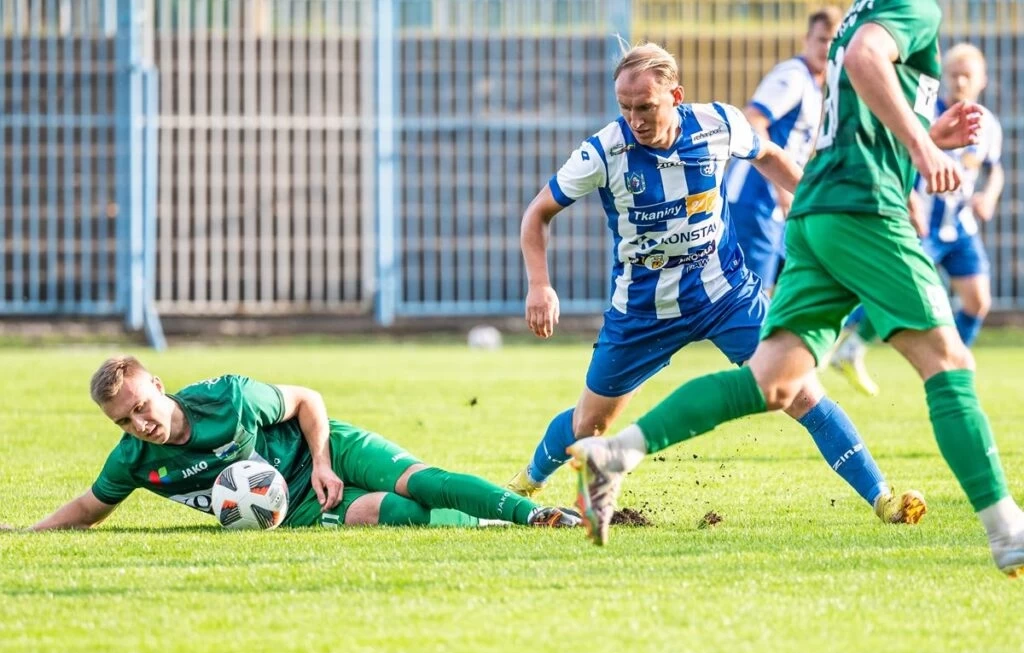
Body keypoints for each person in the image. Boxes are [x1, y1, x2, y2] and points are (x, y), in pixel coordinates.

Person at [569, 1, 1024, 578]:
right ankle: (1008, 531)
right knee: (948, 361)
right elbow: (863, 61)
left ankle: (616, 453)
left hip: (816, 210)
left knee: (774, 381)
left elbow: (854, 125)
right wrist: (922, 146)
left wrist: (926, 134)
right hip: (863, 211)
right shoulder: (908, 9)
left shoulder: (859, 16)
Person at [505, 40, 925, 527]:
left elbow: (769, 154)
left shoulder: (718, 124)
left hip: (726, 295)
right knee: (589, 424)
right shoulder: (603, 151)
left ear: (676, 96)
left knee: (800, 392)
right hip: (643, 309)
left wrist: (813, 199)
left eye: (646, 107)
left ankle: (883, 500)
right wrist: (540, 285)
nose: (635, 119)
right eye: (625, 107)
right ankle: (526, 484)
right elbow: (537, 214)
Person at [4, 356, 580, 531]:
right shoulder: (134, 460)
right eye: (124, 422)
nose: (139, 425)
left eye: (140, 407)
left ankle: (536, 515)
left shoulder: (228, 398)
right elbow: (89, 507)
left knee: (420, 480)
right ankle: (487, 520)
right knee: (394, 512)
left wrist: (324, 463)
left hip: (326, 449)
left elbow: (308, 399)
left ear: (157, 385)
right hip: (295, 506)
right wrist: (27, 534)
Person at [831, 42, 1004, 394]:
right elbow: (900, 154)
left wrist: (988, 196)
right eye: (953, 74)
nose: (959, 81)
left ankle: (954, 365)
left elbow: (994, 169)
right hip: (922, 222)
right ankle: (842, 340)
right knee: (898, 292)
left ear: (982, 80)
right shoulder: (924, 113)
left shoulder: (987, 124)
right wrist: (909, 199)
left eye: (967, 75)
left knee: (978, 300)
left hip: (959, 226)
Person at [723, 6, 842, 289]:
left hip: (777, 206)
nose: (827, 47)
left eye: (834, 41)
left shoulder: (817, 86)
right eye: (821, 39)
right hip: (754, 198)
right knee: (753, 293)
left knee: (802, 285)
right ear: (806, 39)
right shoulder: (793, 76)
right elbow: (754, 118)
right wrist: (782, 187)